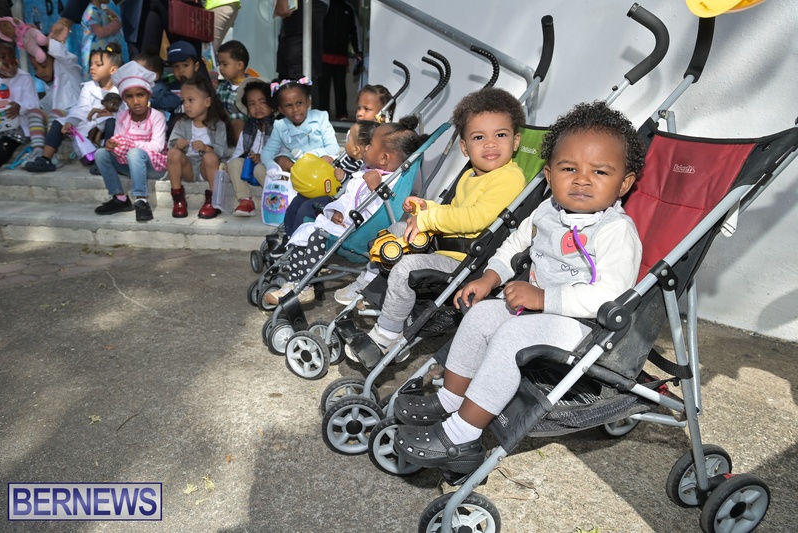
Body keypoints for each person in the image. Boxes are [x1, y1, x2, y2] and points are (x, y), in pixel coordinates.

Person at [392, 101, 646, 474]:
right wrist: (491, 277)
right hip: (537, 310)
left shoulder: (615, 231)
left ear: (624, 182)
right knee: (481, 315)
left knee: (512, 336)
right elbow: (513, 245)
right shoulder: (547, 211)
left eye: (600, 171)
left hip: (588, 327)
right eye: (569, 168)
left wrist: (544, 298)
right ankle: (451, 398)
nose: (581, 179)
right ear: (549, 175)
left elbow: (611, 295)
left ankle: (463, 436)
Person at [339, 87, 527, 367]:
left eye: (500, 135)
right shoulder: (471, 175)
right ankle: (370, 286)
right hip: (448, 246)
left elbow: (476, 219)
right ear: (465, 147)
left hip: (468, 260)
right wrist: (425, 208)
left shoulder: (508, 177)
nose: (490, 144)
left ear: (515, 141)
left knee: (406, 268)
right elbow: (455, 212)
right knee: (395, 231)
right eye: (479, 137)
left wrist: (428, 220)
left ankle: (388, 334)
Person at [264, 116, 425, 305]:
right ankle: (294, 281)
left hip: (360, 235)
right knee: (305, 231)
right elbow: (347, 199)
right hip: (347, 225)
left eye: (370, 145)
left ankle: (303, 288)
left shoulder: (386, 182)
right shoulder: (364, 174)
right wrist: (337, 211)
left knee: (316, 236)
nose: (366, 147)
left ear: (383, 158)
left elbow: (384, 210)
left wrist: (377, 189)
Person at [262, 77, 340, 243]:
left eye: (299, 103)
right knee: (280, 158)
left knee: (328, 158)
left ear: (308, 102)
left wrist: (309, 156)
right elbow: (268, 151)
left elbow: (333, 148)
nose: (295, 109)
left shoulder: (320, 117)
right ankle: (290, 237)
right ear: (280, 108)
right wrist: (270, 164)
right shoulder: (280, 125)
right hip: (298, 170)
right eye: (288, 105)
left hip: (319, 168)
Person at [25, 43, 122, 173]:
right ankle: (45, 159)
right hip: (90, 124)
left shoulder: (122, 89)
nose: (92, 68)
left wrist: (112, 115)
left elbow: (126, 112)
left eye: (98, 65)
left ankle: (107, 161)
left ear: (113, 70)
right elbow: (82, 108)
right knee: (59, 122)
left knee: (111, 122)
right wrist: (71, 121)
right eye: (91, 64)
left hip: (111, 127)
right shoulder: (88, 87)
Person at [93, 61, 167, 222]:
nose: (136, 101)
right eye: (129, 96)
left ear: (148, 95)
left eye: (140, 95)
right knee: (101, 154)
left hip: (154, 166)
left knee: (134, 153)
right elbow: (120, 141)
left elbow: (158, 146)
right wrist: (112, 145)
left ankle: (141, 200)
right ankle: (119, 198)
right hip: (130, 164)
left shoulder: (157, 116)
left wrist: (131, 145)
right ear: (124, 99)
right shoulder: (122, 116)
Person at [167, 76, 232, 219]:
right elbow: (170, 144)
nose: (186, 105)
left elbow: (223, 151)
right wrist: (177, 144)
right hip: (188, 168)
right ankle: (178, 199)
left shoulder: (218, 125)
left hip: (208, 169)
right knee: (173, 154)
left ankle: (213, 200)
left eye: (191, 100)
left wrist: (206, 148)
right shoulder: (181, 123)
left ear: (207, 102)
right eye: (184, 101)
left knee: (210, 157)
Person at [24, 37, 83, 163]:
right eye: (35, 68)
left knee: (55, 114)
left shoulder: (68, 70)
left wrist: (44, 41)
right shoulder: (49, 82)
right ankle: (38, 150)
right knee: (34, 112)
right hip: (56, 118)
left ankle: (52, 152)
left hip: (73, 118)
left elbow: (64, 56)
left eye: (43, 66)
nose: (40, 72)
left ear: (55, 59)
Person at [227, 77, 275, 217]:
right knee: (234, 163)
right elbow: (238, 152)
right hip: (250, 169)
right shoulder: (248, 128)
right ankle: (245, 200)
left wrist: (263, 158)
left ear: (272, 105)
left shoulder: (279, 126)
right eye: (252, 104)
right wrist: (227, 165)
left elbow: (282, 154)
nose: (257, 107)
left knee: (259, 168)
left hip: (268, 170)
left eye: (262, 102)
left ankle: (275, 199)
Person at [273, 0, 328, 102]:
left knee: (299, 71)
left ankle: (305, 110)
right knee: (290, 71)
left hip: (305, 5)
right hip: (302, 7)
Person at [0, 41, 41, 170]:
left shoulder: (24, 78)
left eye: (12, 56)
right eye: (3, 57)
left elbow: (34, 103)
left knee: (4, 146)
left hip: (17, 129)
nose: (9, 60)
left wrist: (20, 106)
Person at [318, 0, 361, 121]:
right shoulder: (324, 6)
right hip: (323, 54)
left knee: (340, 87)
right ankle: (323, 116)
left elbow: (354, 31)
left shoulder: (348, 8)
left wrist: (358, 51)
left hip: (341, 55)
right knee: (323, 88)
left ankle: (342, 114)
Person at [80, 0, 128, 80]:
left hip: (107, 53)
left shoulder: (101, 11)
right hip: (97, 54)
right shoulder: (91, 11)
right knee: (96, 77)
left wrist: (114, 17)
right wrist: (115, 24)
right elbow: (100, 32)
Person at [215, 39, 249, 144]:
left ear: (239, 65)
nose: (221, 68)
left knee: (237, 123)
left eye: (224, 64)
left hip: (244, 126)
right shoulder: (221, 87)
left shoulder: (250, 86)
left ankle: (242, 151)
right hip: (222, 124)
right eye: (219, 64)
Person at [133, 52, 182, 118]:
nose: (136, 75)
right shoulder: (131, 87)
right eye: (134, 71)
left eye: (140, 72)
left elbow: (175, 101)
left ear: (155, 76)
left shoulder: (159, 89)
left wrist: (151, 102)